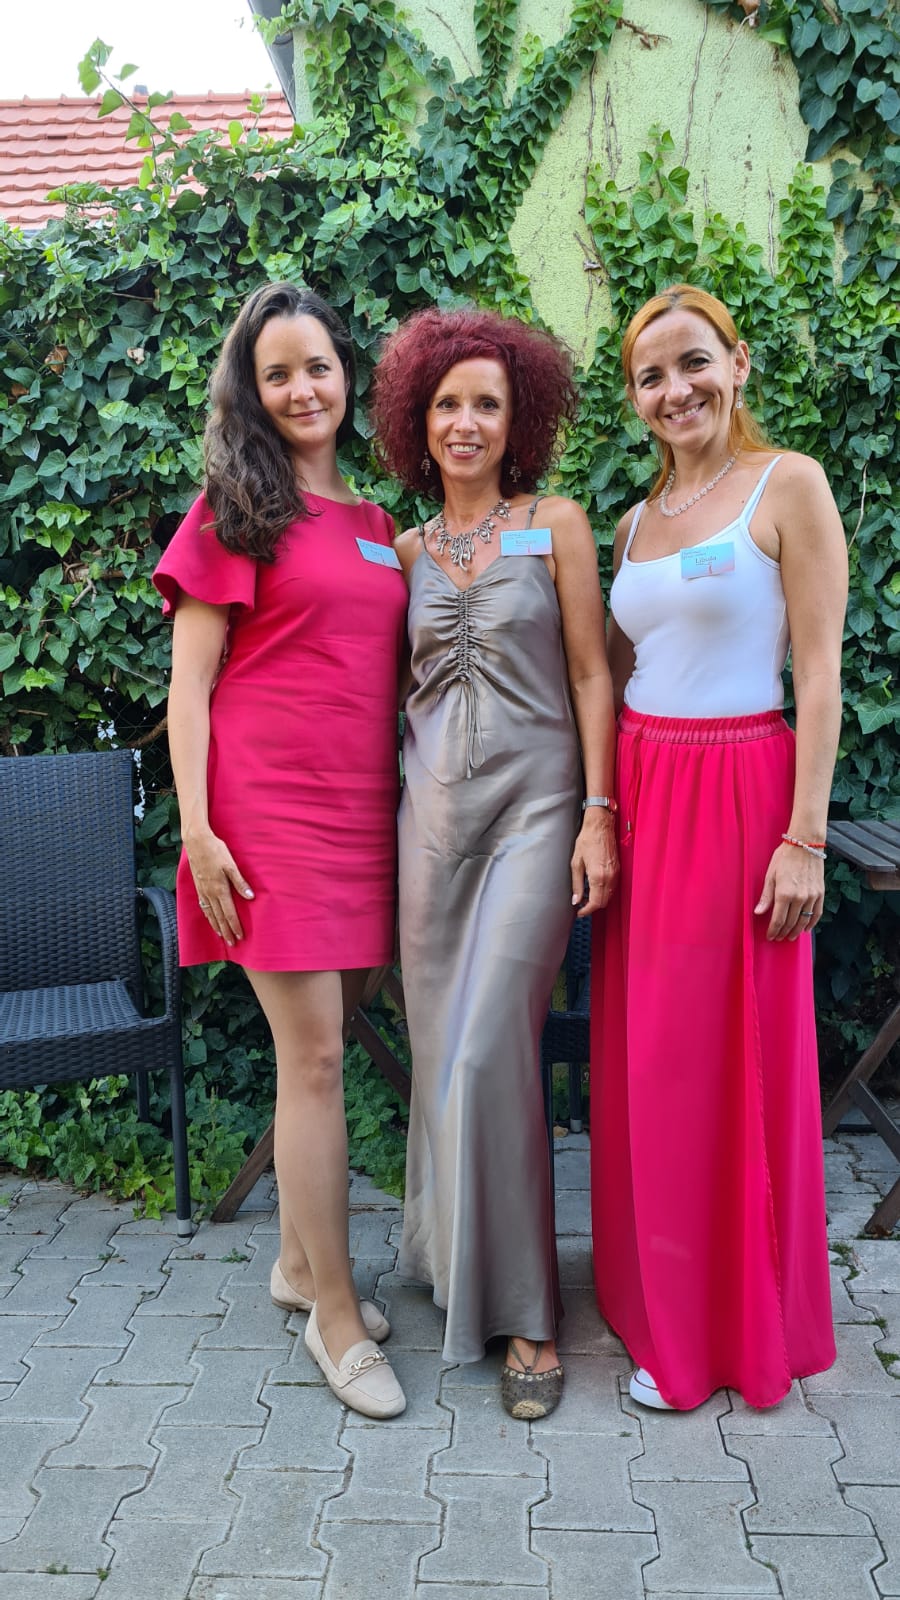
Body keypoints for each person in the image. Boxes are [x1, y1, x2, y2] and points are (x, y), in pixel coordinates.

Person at [591, 283, 848, 1411]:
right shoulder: (632, 524)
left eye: (694, 362)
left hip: (743, 792)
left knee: (730, 1065)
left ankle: (731, 1332)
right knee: (656, 1063)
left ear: (738, 363)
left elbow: (822, 672)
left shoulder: (789, 484)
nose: (676, 389)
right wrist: (600, 810)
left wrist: (806, 836)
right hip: (646, 795)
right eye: (651, 376)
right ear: (635, 399)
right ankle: (659, 1303)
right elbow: (614, 675)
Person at [153, 283, 408, 1420]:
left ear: (345, 374)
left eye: (317, 367)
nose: (302, 389)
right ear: (251, 393)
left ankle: (300, 1264)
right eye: (277, 374)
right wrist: (199, 830)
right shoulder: (234, 511)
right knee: (313, 1062)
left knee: (324, 1045)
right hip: (265, 820)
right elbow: (189, 688)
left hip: (363, 819)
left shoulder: (378, 524)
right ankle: (335, 1318)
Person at [371, 307, 618, 1419]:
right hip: (430, 827)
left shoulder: (555, 524)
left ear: (519, 421)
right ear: (418, 423)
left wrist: (599, 813)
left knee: (488, 1051)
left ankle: (528, 1314)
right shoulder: (405, 551)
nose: (465, 422)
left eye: (487, 403)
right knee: (439, 1055)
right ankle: (450, 1259)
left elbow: (592, 674)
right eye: (446, 404)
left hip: (537, 814)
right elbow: (386, 696)